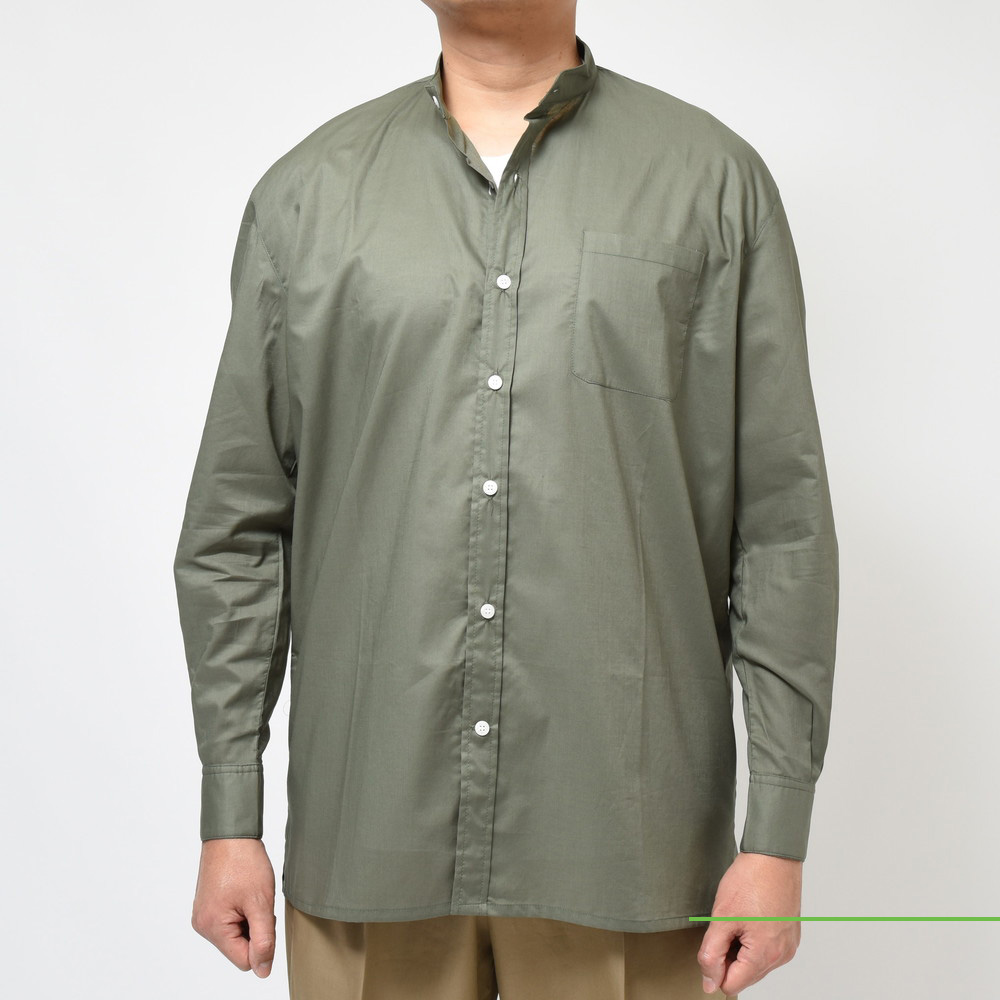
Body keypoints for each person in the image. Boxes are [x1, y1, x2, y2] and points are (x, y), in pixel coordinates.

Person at [172, 1, 840, 997]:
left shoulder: (712, 184)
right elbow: (236, 529)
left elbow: (783, 531)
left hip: (627, 845)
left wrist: (776, 833)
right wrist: (230, 814)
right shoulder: (307, 195)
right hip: (370, 839)